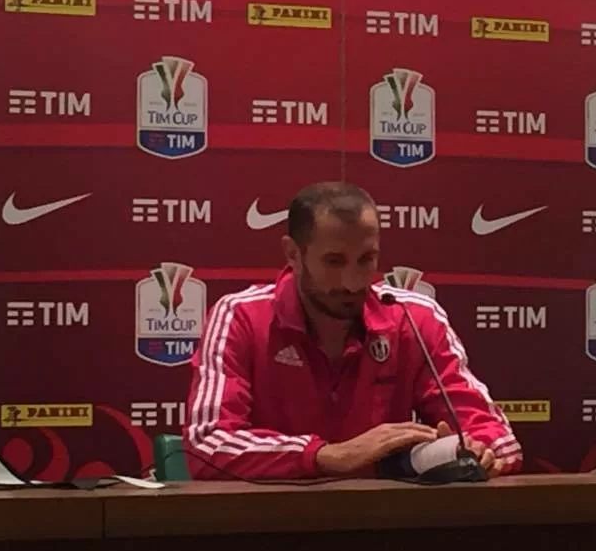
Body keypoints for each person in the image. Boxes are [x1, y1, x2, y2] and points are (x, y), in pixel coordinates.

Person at [185, 181, 521, 479]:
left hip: (387, 523)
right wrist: (328, 456)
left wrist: (479, 452)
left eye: (366, 259)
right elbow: (207, 443)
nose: (353, 281)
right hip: (270, 522)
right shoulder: (240, 316)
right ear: (293, 254)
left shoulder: (413, 318)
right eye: (334, 262)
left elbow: (500, 439)